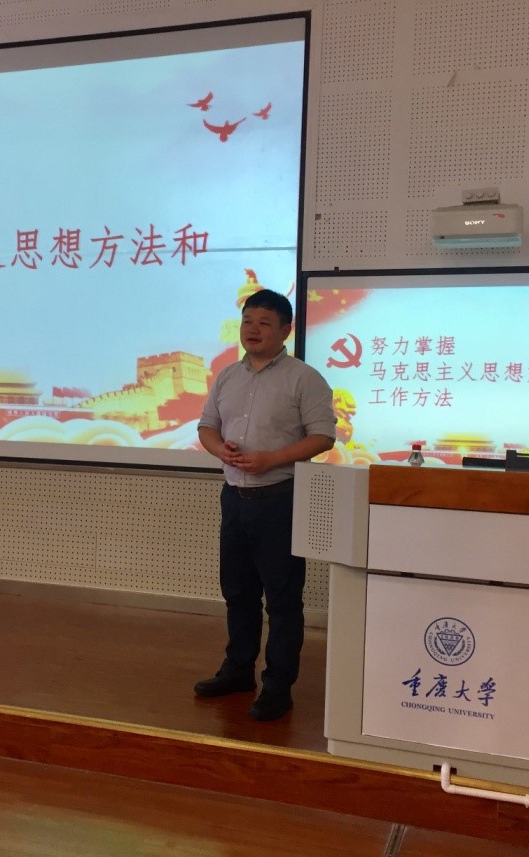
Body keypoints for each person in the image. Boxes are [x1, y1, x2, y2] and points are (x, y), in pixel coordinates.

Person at [195, 288, 336, 721]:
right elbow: (206, 427)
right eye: (247, 321)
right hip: (234, 499)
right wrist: (220, 450)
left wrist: (271, 458)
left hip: (280, 499)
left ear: (286, 330)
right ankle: (238, 671)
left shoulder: (304, 378)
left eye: (264, 323)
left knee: (282, 599)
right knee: (238, 593)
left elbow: (323, 436)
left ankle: (278, 686)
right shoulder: (226, 376)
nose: (252, 330)